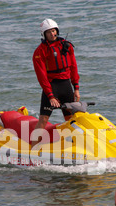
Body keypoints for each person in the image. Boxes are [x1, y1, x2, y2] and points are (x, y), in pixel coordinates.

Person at [31, 18, 80, 147]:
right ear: (44, 34)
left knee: (72, 120)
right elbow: (41, 76)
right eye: (49, 32)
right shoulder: (39, 52)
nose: (52, 34)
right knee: (43, 120)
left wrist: (76, 87)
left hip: (66, 86)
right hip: (52, 87)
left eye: (54, 31)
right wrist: (50, 96)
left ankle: (78, 147)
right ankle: (31, 149)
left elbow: (74, 67)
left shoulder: (66, 45)